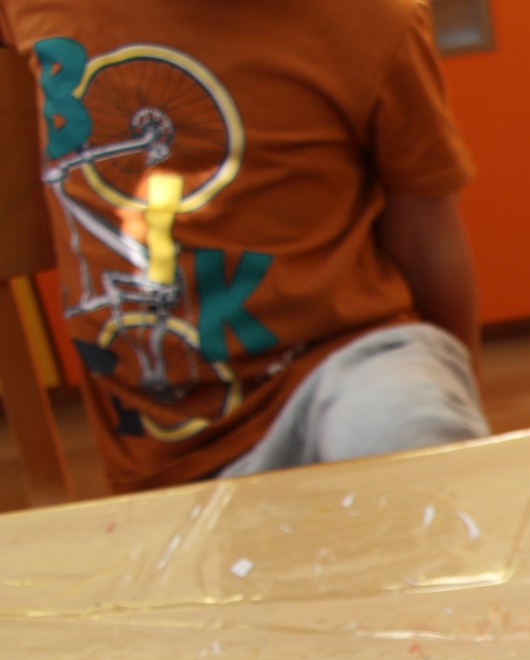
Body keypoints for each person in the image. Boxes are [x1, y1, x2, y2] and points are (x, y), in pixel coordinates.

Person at [0, 0, 489, 492]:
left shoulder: (375, 22)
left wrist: (453, 388)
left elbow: (426, 234)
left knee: (402, 422)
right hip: (163, 446)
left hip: (341, 366)